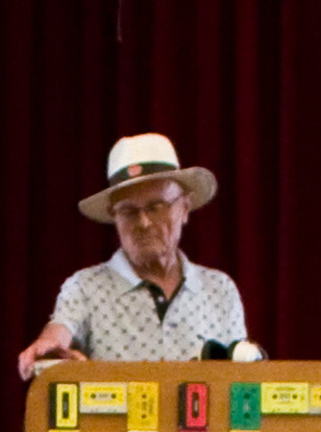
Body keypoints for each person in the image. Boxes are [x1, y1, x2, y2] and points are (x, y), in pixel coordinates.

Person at [17, 133, 249, 380]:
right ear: (113, 216)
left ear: (184, 208)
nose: (144, 222)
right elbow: (61, 328)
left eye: (156, 207)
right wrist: (48, 345)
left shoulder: (220, 290)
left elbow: (244, 380)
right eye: (128, 211)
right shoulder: (85, 287)